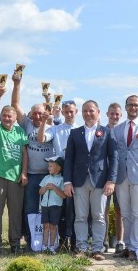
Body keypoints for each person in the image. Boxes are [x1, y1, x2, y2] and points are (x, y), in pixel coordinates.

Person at [63, 100, 118, 260]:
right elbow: (68, 159)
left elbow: (114, 158)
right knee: (80, 216)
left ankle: (97, 249)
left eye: (91, 111)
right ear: (82, 112)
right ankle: (81, 247)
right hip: (79, 181)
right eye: (85, 111)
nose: (88, 113)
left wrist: (111, 180)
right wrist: (67, 182)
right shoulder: (75, 133)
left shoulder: (106, 132)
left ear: (98, 112)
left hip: (100, 181)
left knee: (99, 216)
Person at [11, 72, 54, 249]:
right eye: (35, 114)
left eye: (41, 114)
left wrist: (48, 98)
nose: (37, 117)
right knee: (30, 208)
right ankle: (30, 239)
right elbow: (14, 105)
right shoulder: (26, 124)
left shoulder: (53, 127)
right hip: (31, 174)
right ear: (31, 115)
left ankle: (47, 240)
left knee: (47, 209)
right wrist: (17, 84)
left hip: (48, 175)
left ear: (46, 114)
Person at [0, 83, 29, 255]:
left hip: (16, 177)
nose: (6, 119)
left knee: (15, 213)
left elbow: (25, 154)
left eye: (10, 116)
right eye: (4, 116)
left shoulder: (20, 132)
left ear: (14, 118)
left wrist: (24, 172)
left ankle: (15, 243)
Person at [112, 92, 138, 258]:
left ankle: (134, 248)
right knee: (125, 213)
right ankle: (127, 246)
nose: (133, 107)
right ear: (126, 107)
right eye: (130, 104)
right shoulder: (117, 129)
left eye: (136, 105)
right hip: (121, 177)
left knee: (137, 213)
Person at [50, 100, 78, 251]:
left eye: (71, 111)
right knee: (59, 208)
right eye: (66, 112)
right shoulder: (56, 129)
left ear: (76, 112)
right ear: (62, 113)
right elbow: (42, 138)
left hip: (74, 173)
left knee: (72, 210)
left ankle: (74, 241)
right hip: (59, 171)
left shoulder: (81, 129)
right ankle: (61, 240)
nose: (68, 114)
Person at [105, 102, 124, 249]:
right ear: (107, 114)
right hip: (103, 176)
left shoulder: (123, 132)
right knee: (103, 210)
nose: (114, 116)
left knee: (119, 210)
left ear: (121, 115)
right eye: (112, 113)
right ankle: (103, 241)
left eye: (117, 114)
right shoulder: (101, 131)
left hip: (120, 176)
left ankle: (120, 241)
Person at [39, 156, 66, 253]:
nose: (48, 168)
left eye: (51, 166)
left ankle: (52, 246)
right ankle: (44, 245)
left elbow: (63, 195)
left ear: (58, 168)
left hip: (56, 206)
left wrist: (54, 187)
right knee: (45, 226)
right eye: (48, 166)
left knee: (53, 226)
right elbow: (40, 192)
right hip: (45, 205)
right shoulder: (46, 178)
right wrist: (46, 187)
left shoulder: (62, 179)